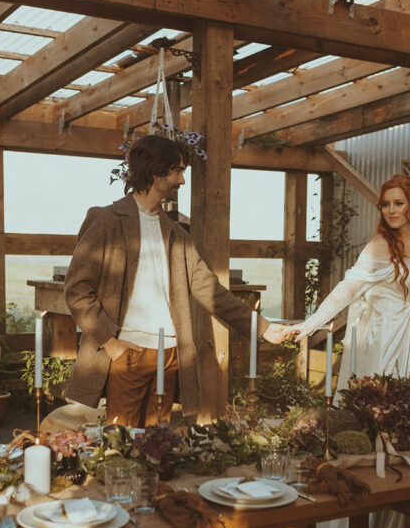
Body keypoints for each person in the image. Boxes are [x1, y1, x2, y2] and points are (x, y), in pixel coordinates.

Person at [64, 134, 285, 427]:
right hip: (126, 353)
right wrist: (110, 342)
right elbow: (77, 290)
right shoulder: (106, 220)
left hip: (170, 356)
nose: (182, 180)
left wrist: (262, 328)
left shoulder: (177, 234)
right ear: (156, 171)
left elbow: (209, 289)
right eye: (178, 171)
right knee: (120, 446)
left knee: (158, 447)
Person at [283, 172, 410, 528]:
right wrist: (310, 324)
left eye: (398, 203)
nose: (391, 211)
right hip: (385, 345)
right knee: (375, 430)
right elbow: (347, 289)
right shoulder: (377, 247)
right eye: (385, 204)